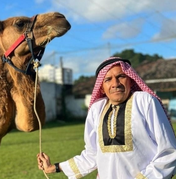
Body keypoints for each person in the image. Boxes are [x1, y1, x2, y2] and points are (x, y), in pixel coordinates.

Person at [37, 57, 176, 179]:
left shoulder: (145, 101)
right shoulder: (96, 110)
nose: (115, 83)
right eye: (108, 79)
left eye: (121, 76)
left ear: (131, 80)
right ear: (102, 88)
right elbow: (92, 155)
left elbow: (169, 152)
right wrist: (54, 167)